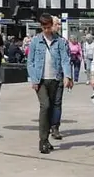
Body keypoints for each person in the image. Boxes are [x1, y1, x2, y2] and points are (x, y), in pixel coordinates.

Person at [26, 14, 74, 154]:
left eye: (49, 27)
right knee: (45, 106)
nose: (47, 30)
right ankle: (42, 140)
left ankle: (46, 139)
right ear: (41, 27)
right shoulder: (35, 41)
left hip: (56, 79)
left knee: (53, 108)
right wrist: (34, 79)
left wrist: (67, 76)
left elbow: (65, 59)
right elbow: (30, 62)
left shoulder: (60, 41)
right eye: (44, 27)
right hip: (41, 80)